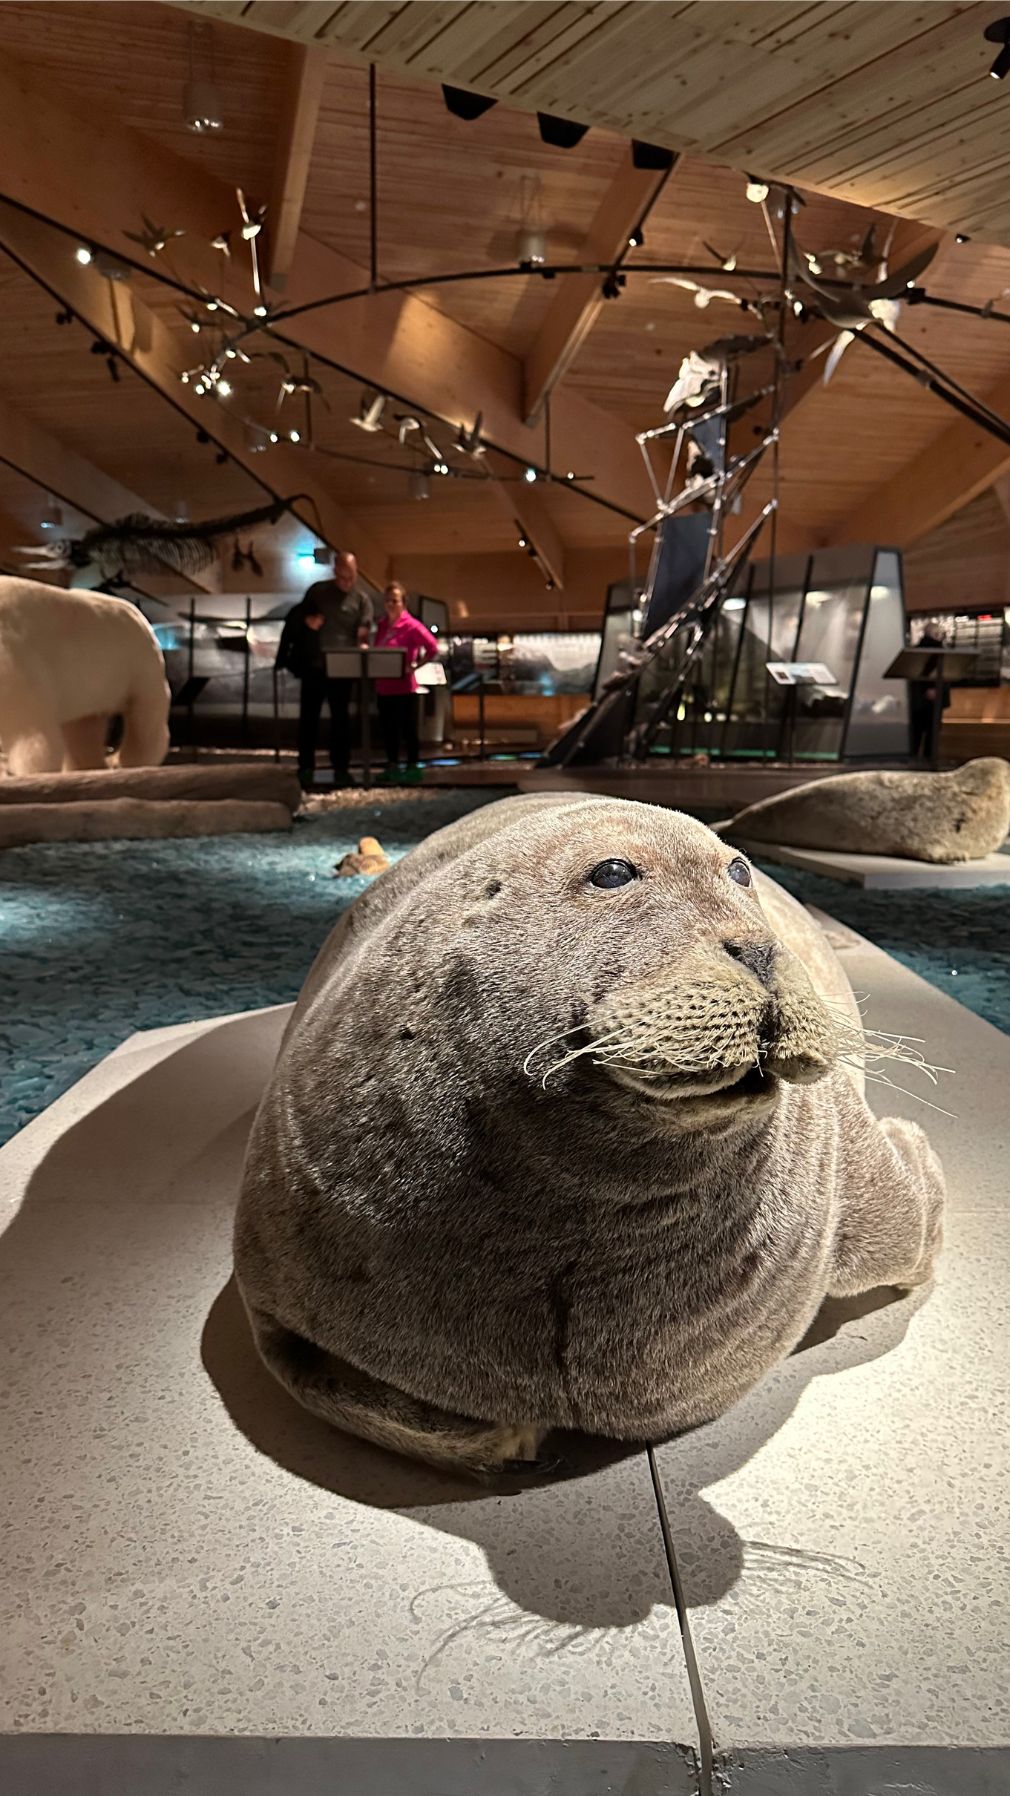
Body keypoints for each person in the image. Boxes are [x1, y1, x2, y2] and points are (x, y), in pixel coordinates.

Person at [276, 550, 373, 790]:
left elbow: (364, 631)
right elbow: (298, 617)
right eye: (342, 577)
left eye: (351, 577)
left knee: (341, 720)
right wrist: (307, 624)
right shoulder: (318, 591)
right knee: (309, 718)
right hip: (315, 667)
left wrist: (362, 642)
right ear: (335, 572)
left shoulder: (361, 600)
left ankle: (341, 768)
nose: (346, 582)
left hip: (343, 670)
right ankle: (306, 767)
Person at [373, 581, 440, 783]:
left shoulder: (412, 626)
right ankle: (392, 765)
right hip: (384, 686)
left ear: (403, 603)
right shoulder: (382, 625)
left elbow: (433, 648)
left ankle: (412, 766)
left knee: (408, 728)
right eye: (388, 601)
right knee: (388, 729)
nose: (391, 605)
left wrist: (414, 666)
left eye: (395, 601)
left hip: (404, 686)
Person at [909, 628, 950, 763]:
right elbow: (943, 672)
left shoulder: (915, 651)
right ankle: (929, 763)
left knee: (915, 735)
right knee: (932, 736)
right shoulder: (939, 650)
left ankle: (912, 762)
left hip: (917, 701)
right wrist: (935, 689)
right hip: (933, 699)